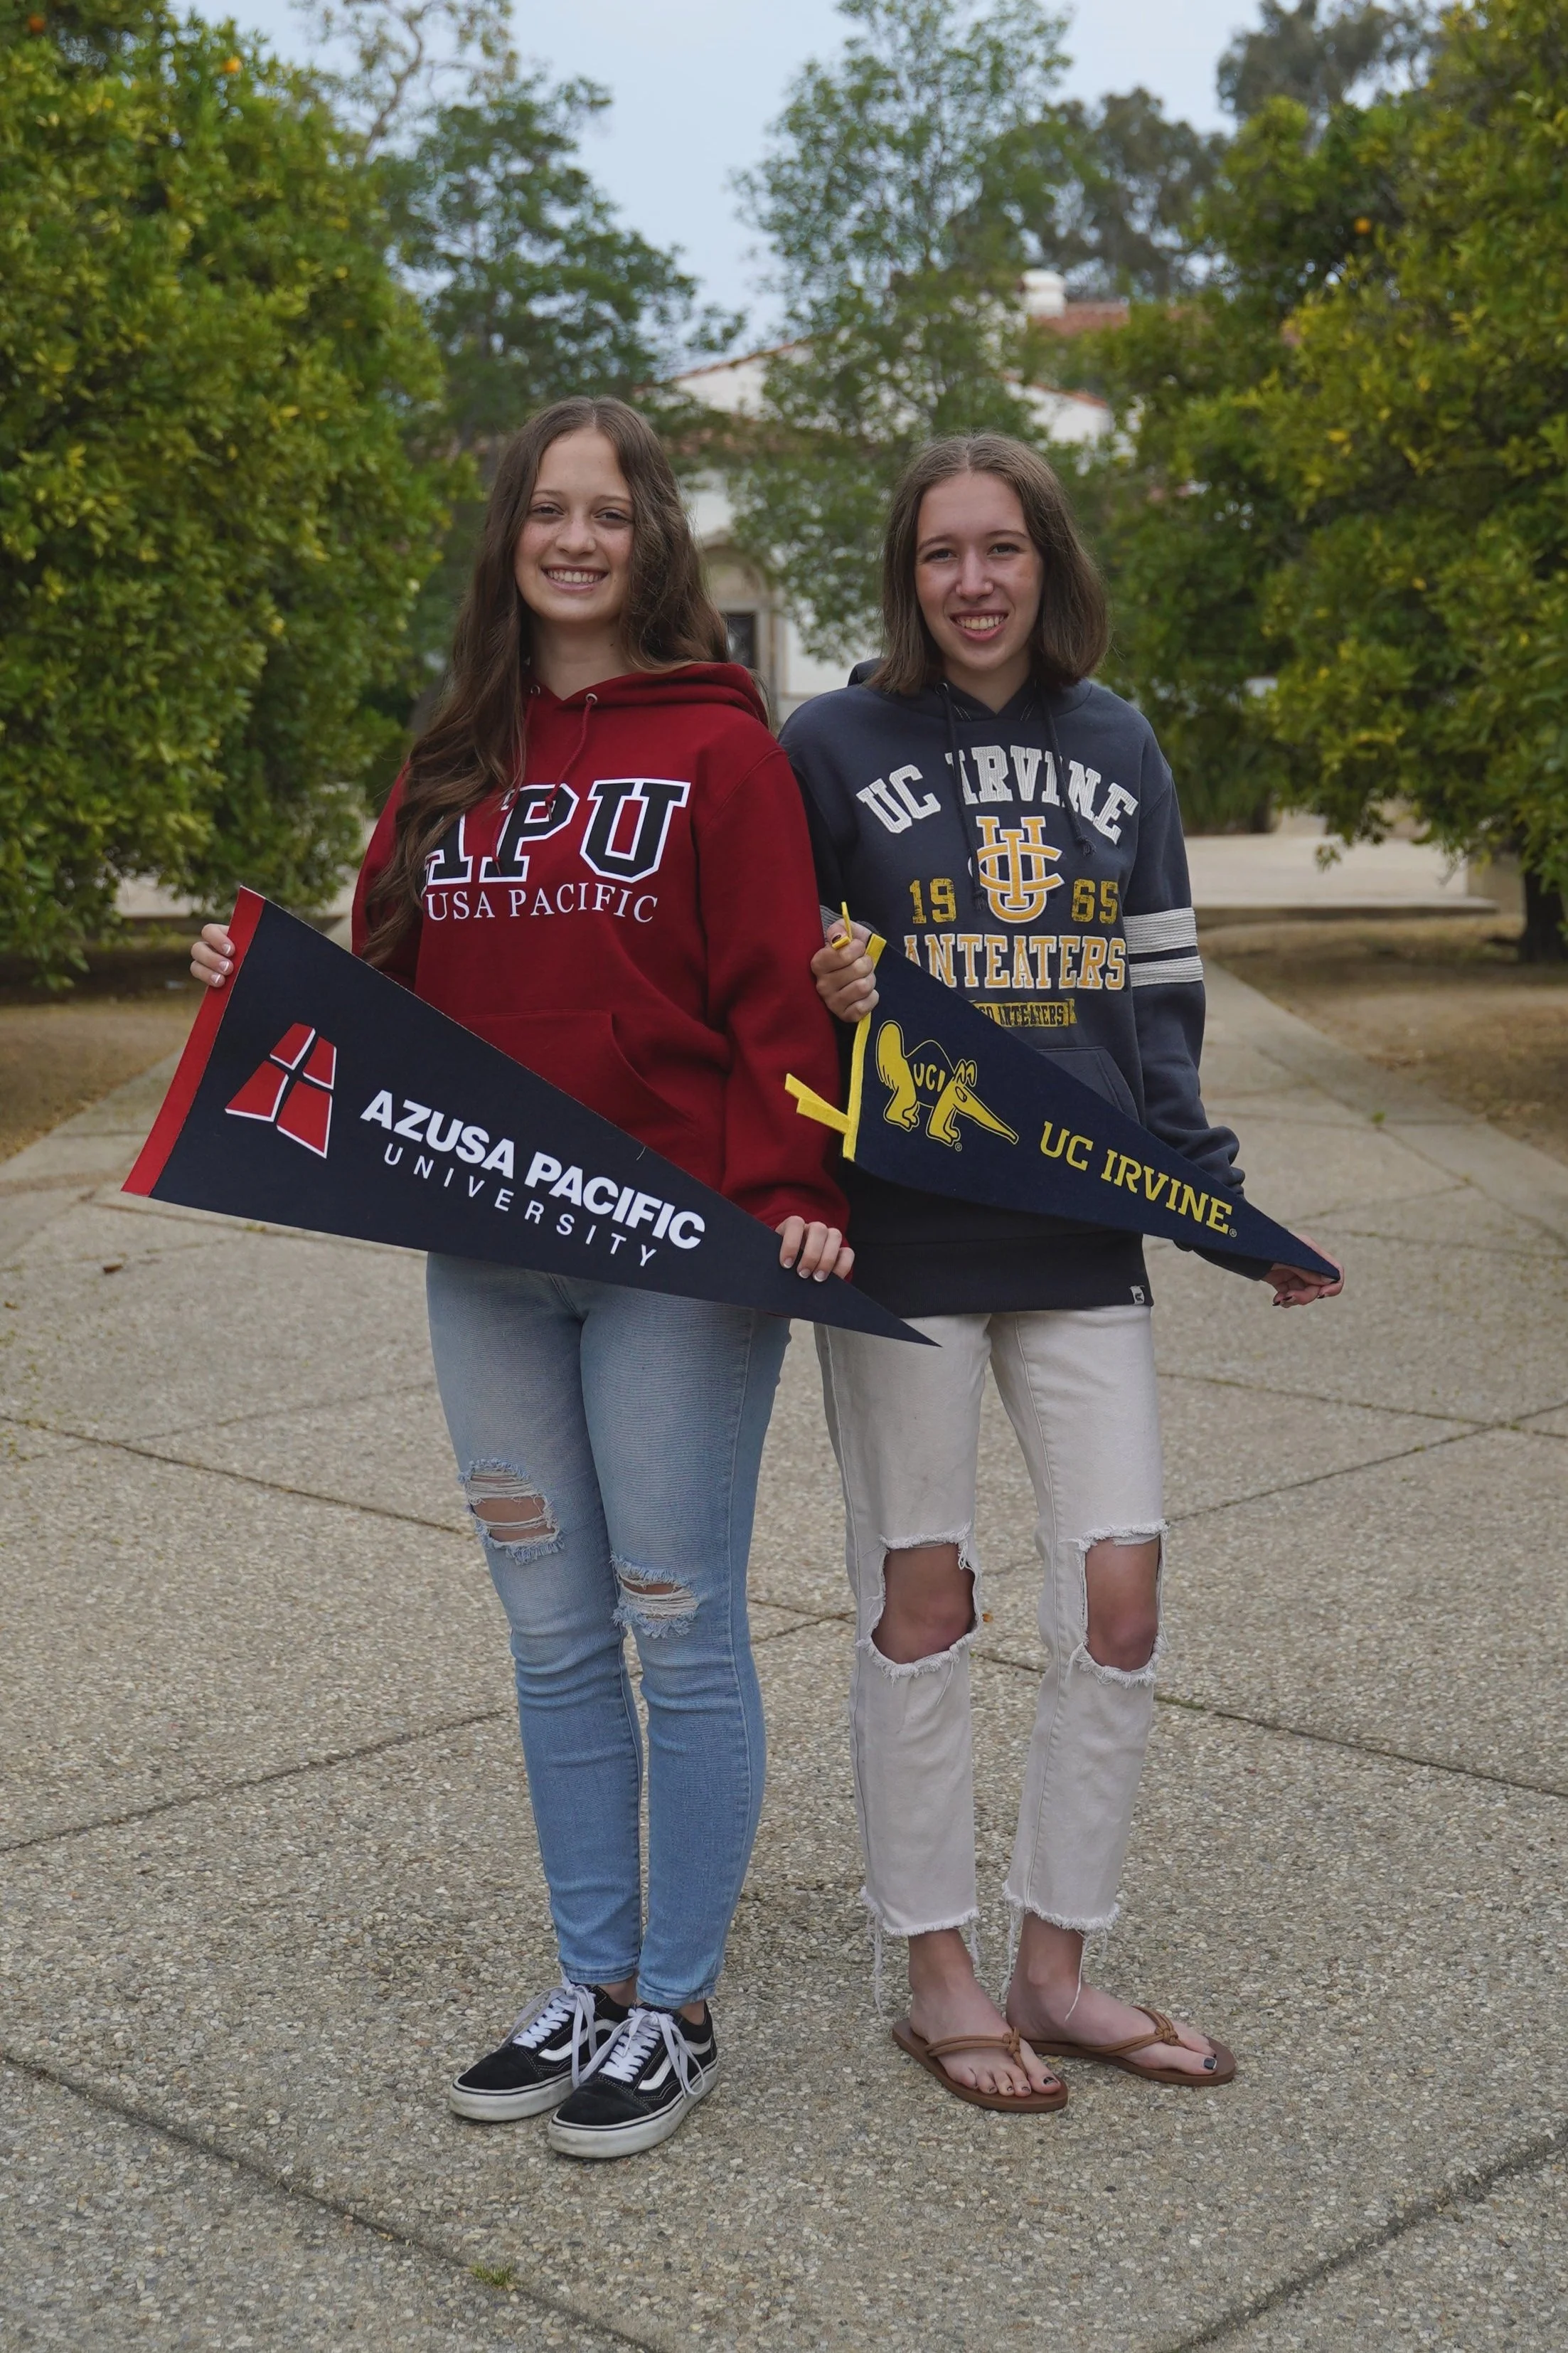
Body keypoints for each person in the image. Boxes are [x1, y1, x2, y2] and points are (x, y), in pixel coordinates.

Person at [192, 395, 853, 2160]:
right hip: (489, 1258)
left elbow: (778, 995)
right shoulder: (449, 756)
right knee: (553, 1638)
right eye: (545, 510)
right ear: (511, 539)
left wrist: (791, 1183)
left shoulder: (724, 752)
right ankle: (590, 1983)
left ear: (651, 535)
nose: (574, 538)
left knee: (678, 1620)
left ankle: (680, 2000)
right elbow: (388, 1002)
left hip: (670, 1254)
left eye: (607, 510)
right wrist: (262, 983)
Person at [782, 433, 1342, 2112]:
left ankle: (1058, 1963)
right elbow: (770, 998)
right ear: (907, 570)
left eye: (1002, 548)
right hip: (906, 1238)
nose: (973, 580)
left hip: (1083, 1235)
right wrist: (817, 1028)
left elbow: (1154, 1010)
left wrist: (1223, 1208)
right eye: (942, 551)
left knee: (1119, 1595)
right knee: (924, 1600)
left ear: (1048, 562)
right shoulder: (827, 743)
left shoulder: (1120, 743)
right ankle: (936, 1968)